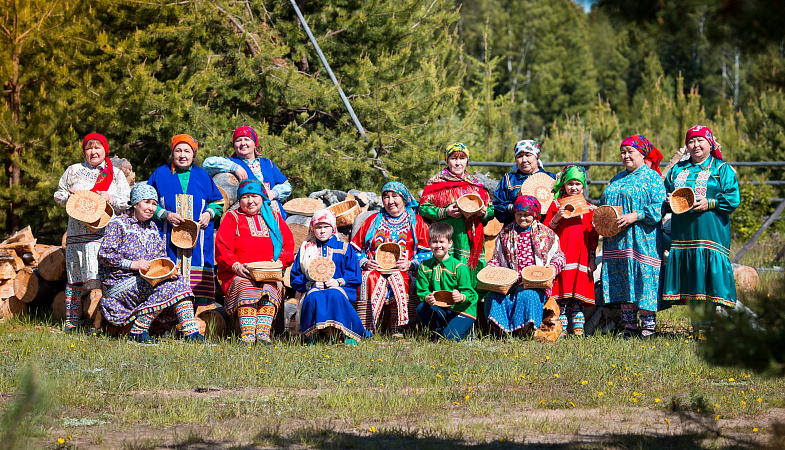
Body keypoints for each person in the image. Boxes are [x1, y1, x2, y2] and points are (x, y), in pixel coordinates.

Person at [98, 184, 205, 344]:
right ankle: (138, 332)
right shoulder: (118, 224)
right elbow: (104, 254)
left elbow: (160, 258)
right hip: (119, 285)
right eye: (146, 202)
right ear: (135, 203)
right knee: (170, 287)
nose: (151, 208)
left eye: (154, 204)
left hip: (146, 280)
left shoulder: (153, 227)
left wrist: (169, 271)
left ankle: (191, 334)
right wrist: (131, 264)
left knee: (179, 281)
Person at [662, 125, 740, 332]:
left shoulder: (721, 169)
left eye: (700, 141)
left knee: (707, 277)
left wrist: (710, 203)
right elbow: (665, 192)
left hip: (710, 233)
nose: (695, 145)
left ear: (710, 143)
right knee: (692, 278)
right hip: (683, 234)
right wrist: (668, 199)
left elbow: (733, 198)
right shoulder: (678, 169)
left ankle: (706, 326)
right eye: (691, 141)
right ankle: (697, 325)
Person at [54, 133, 131, 331]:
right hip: (77, 234)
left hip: (105, 235)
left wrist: (110, 197)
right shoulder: (73, 171)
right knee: (74, 278)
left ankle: (104, 322)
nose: (93, 151)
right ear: (84, 151)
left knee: (105, 279)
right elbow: (58, 194)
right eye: (89, 148)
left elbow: (127, 202)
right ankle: (72, 322)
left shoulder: (115, 173)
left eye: (97, 147)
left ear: (105, 150)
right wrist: (68, 198)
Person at [599, 135, 666, 338]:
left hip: (642, 238)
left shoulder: (652, 177)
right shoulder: (617, 178)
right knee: (623, 280)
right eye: (623, 152)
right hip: (617, 240)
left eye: (631, 152)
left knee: (644, 280)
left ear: (642, 154)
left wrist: (636, 215)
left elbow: (659, 207)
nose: (626, 156)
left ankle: (648, 328)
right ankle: (629, 327)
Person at [215, 179, 295, 344]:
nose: (250, 201)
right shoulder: (232, 217)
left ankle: (263, 334)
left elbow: (288, 245)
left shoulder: (274, 218)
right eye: (245, 197)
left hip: (269, 273)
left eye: (254, 196)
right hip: (237, 272)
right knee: (247, 287)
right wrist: (235, 266)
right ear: (239, 199)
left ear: (262, 197)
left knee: (270, 289)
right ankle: (248, 335)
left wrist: (279, 263)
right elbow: (222, 248)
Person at [147, 134, 224, 306]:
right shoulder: (160, 174)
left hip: (199, 241)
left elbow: (218, 201)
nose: (183, 155)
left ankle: (197, 319)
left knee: (198, 277)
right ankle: (167, 316)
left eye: (187, 151)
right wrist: (165, 214)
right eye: (178, 150)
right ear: (172, 153)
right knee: (168, 274)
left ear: (194, 154)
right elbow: (147, 202)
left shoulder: (203, 176)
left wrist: (209, 214)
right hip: (167, 239)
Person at [350, 181, 431, 337]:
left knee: (401, 278)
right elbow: (354, 250)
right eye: (386, 197)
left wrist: (411, 263)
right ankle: (367, 327)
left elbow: (428, 252)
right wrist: (365, 262)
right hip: (374, 268)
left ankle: (399, 327)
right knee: (369, 278)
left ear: (404, 198)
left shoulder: (416, 222)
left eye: (395, 196)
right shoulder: (373, 220)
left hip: (405, 269)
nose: (390, 201)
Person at [485, 196, 565, 336]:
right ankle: (502, 331)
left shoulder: (546, 234)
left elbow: (559, 257)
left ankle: (523, 331)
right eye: (519, 214)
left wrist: (552, 268)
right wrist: (491, 267)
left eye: (527, 215)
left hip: (535, 284)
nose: (523, 218)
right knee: (494, 296)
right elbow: (497, 258)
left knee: (527, 295)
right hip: (508, 284)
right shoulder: (505, 234)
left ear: (535, 214)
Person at [290, 209, 368, 345]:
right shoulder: (306, 249)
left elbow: (354, 274)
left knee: (334, 294)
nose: (322, 231)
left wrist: (338, 282)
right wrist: (310, 284)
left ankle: (347, 334)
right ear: (312, 229)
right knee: (313, 296)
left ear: (333, 228)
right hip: (314, 287)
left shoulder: (344, 247)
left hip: (340, 287)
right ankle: (313, 335)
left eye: (326, 227)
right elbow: (296, 276)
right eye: (318, 227)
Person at [419, 143, 494, 282]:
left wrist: (483, 213)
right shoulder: (436, 183)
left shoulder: (476, 184)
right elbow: (422, 208)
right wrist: (444, 212)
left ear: (467, 161)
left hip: (471, 238)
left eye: (462, 158)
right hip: (447, 236)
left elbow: (490, 210)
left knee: (470, 277)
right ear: (447, 160)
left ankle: (470, 300)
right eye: (454, 158)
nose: (458, 163)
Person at [543, 165, 598, 336]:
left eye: (577, 184)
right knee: (562, 297)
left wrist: (592, 259)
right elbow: (546, 232)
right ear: (564, 185)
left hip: (581, 257)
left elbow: (592, 237)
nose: (574, 188)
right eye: (570, 184)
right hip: (562, 257)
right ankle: (562, 330)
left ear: (583, 186)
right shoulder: (555, 205)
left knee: (578, 298)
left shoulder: (589, 208)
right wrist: (557, 217)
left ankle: (579, 331)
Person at [203, 126, 291, 217]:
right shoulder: (231, 162)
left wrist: (273, 193)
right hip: (246, 214)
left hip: (274, 213)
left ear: (254, 143)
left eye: (247, 139)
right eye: (238, 140)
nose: (243, 143)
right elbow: (207, 163)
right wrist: (235, 167)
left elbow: (287, 186)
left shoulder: (267, 163)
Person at [415, 222, 477, 341]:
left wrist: (461, 297)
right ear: (429, 244)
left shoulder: (459, 267)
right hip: (440, 308)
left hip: (462, 309)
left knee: (449, 339)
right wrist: (427, 298)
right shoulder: (424, 266)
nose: (438, 245)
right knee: (421, 308)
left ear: (450, 243)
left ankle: (463, 330)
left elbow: (471, 294)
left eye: (441, 242)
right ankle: (438, 330)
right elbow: (422, 291)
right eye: (434, 242)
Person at [493, 140, 556, 224]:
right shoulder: (509, 179)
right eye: (519, 156)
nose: (524, 160)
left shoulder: (551, 178)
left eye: (528, 155)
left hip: (545, 229)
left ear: (537, 157)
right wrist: (514, 207)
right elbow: (497, 207)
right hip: (515, 231)